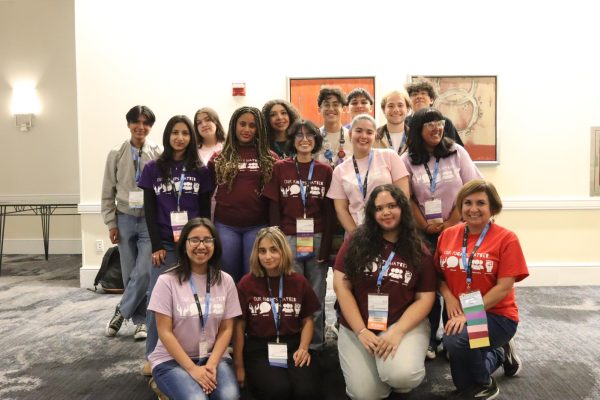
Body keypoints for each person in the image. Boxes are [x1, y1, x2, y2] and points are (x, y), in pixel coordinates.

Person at [333, 184, 436, 399]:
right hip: (357, 327)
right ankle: (382, 370)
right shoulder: (356, 240)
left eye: (392, 206)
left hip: (401, 324)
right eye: (379, 208)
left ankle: (394, 368)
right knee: (366, 394)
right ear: (372, 213)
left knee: (402, 376)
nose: (386, 212)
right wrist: (361, 331)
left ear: (403, 209)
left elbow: (425, 297)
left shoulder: (419, 249)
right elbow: (341, 286)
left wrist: (397, 332)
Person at [401, 107, 482, 359]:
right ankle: (429, 339)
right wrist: (425, 225)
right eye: (430, 124)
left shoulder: (457, 152)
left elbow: (472, 190)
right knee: (428, 284)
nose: (437, 128)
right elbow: (409, 198)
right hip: (424, 233)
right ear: (417, 130)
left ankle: (468, 335)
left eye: (439, 123)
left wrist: (451, 223)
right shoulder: (407, 159)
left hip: (459, 229)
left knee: (462, 281)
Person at [436, 180, 529, 400]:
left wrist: (470, 313)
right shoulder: (448, 235)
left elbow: (504, 287)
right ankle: (500, 353)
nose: (473, 208)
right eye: (467, 202)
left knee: (455, 340)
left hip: (496, 314)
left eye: (481, 203)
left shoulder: (506, 238)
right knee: (463, 381)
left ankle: (485, 385)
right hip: (461, 311)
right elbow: (438, 276)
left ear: (492, 207)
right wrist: (448, 297)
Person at [138, 115, 214, 372]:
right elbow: (149, 209)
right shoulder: (152, 168)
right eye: (175, 132)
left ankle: (193, 351)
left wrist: (205, 242)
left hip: (194, 244)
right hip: (166, 245)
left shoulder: (200, 170)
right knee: (158, 300)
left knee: (194, 298)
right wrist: (157, 245)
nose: (180, 137)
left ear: (191, 137)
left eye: (185, 133)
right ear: (167, 136)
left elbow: (204, 211)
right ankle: (153, 356)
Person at [148, 218, 241, 400]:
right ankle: (162, 385)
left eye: (207, 240)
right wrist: (193, 370)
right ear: (184, 245)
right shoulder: (166, 281)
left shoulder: (226, 281)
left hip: (212, 356)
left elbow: (227, 329)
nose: (201, 245)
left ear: (215, 245)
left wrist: (212, 365)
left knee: (229, 397)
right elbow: (164, 332)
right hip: (171, 360)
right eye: (194, 240)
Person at [263, 119, 334, 350]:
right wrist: (276, 243)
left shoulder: (325, 170)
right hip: (288, 238)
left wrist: (325, 248)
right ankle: (292, 342)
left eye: (310, 136)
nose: (305, 140)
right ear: (292, 141)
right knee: (290, 294)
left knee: (316, 294)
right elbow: (274, 207)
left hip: (317, 237)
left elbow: (329, 212)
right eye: (299, 136)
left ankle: (315, 344)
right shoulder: (280, 168)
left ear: (316, 141)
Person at [234, 226, 321, 400]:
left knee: (306, 391)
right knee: (278, 390)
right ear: (256, 254)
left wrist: (304, 348)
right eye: (262, 251)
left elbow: (307, 320)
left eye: (274, 250)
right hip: (259, 349)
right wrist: (239, 365)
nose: (268, 256)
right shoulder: (246, 284)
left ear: (283, 251)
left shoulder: (299, 282)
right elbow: (238, 326)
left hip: (293, 346)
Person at [102, 105, 161, 341]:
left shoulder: (157, 152)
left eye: (146, 123)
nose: (141, 127)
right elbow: (107, 190)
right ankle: (140, 322)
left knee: (145, 271)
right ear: (128, 124)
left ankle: (121, 310)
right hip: (124, 217)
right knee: (129, 274)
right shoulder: (116, 153)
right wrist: (110, 223)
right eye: (136, 122)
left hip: (148, 219)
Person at [208, 106, 278, 282]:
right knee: (227, 276)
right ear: (234, 126)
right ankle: (231, 310)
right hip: (226, 226)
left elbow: (274, 199)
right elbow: (205, 195)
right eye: (243, 124)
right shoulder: (219, 157)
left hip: (257, 226)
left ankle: (249, 310)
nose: (247, 129)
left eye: (252, 125)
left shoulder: (270, 158)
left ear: (259, 129)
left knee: (253, 276)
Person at [327, 114, 409, 234]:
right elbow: (341, 209)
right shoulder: (340, 170)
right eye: (359, 131)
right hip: (357, 232)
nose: (363, 136)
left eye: (369, 132)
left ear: (375, 136)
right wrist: (356, 235)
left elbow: (404, 196)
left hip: (389, 230)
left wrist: (391, 227)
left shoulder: (389, 156)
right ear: (350, 134)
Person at [405, 80, 464, 147]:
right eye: (414, 94)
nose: (419, 96)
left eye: (423, 93)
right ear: (409, 101)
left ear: (431, 100)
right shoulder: (404, 123)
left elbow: (456, 150)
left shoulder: (445, 122)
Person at [315, 86, 350, 168]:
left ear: (343, 109)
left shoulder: (352, 137)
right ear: (319, 109)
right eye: (326, 105)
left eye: (335, 105)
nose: (331, 109)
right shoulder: (314, 138)